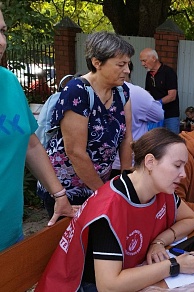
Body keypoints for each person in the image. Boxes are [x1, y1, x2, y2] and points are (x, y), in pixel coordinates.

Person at [36, 128, 194, 291]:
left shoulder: (160, 187)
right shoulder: (111, 207)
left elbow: (190, 219)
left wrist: (158, 242)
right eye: (177, 165)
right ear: (150, 162)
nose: (183, 174)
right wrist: (175, 265)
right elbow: (108, 286)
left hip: (129, 273)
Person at [0, 4, 75, 252]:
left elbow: (30, 143)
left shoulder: (8, 82)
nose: (1, 42)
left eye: (3, 32)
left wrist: (59, 195)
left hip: (8, 233)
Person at [36, 31, 134, 218]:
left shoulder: (122, 92)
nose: (128, 70)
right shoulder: (77, 92)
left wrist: (126, 178)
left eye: (128, 64)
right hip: (68, 189)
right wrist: (105, 192)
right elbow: (75, 152)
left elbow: (127, 137)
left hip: (100, 184)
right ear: (97, 62)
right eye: (121, 64)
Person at [111, 61, 164, 178]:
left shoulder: (94, 91)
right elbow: (159, 115)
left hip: (104, 163)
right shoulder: (137, 93)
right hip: (133, 161)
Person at [140, 48, 180, 134]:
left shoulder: (168, 72)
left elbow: (172, 96)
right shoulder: (149, 74)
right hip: (155, 115)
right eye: (141, 61)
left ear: (154, 58)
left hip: (170, 115)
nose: (142, 64)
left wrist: (156, 103)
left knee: (172, 142)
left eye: (144, 61)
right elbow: (148, 93)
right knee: (156, 142)